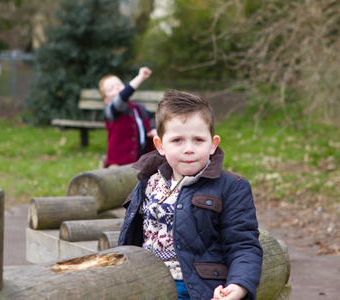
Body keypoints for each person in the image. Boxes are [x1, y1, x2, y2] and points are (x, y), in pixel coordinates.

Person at [118, 89, 263, 300]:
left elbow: (243, 245)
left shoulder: (231, 187)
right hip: (143, 281)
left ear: (213, 144)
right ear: (160, 145)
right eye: (177, 140)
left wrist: (239, 285)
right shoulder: (148, 183)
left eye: (198, 140)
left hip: (192, 287)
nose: (188, 149)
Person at [99, 67, 157, 168]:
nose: (116, 88)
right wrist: (140, 77)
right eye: (111, 89)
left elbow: (149, 120)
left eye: (119, 85)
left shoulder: (139, 107)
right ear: (106, 100)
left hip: (142, 159)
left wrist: (153, 130)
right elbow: (122, 96)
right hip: (119, 161)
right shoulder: (111, 110)